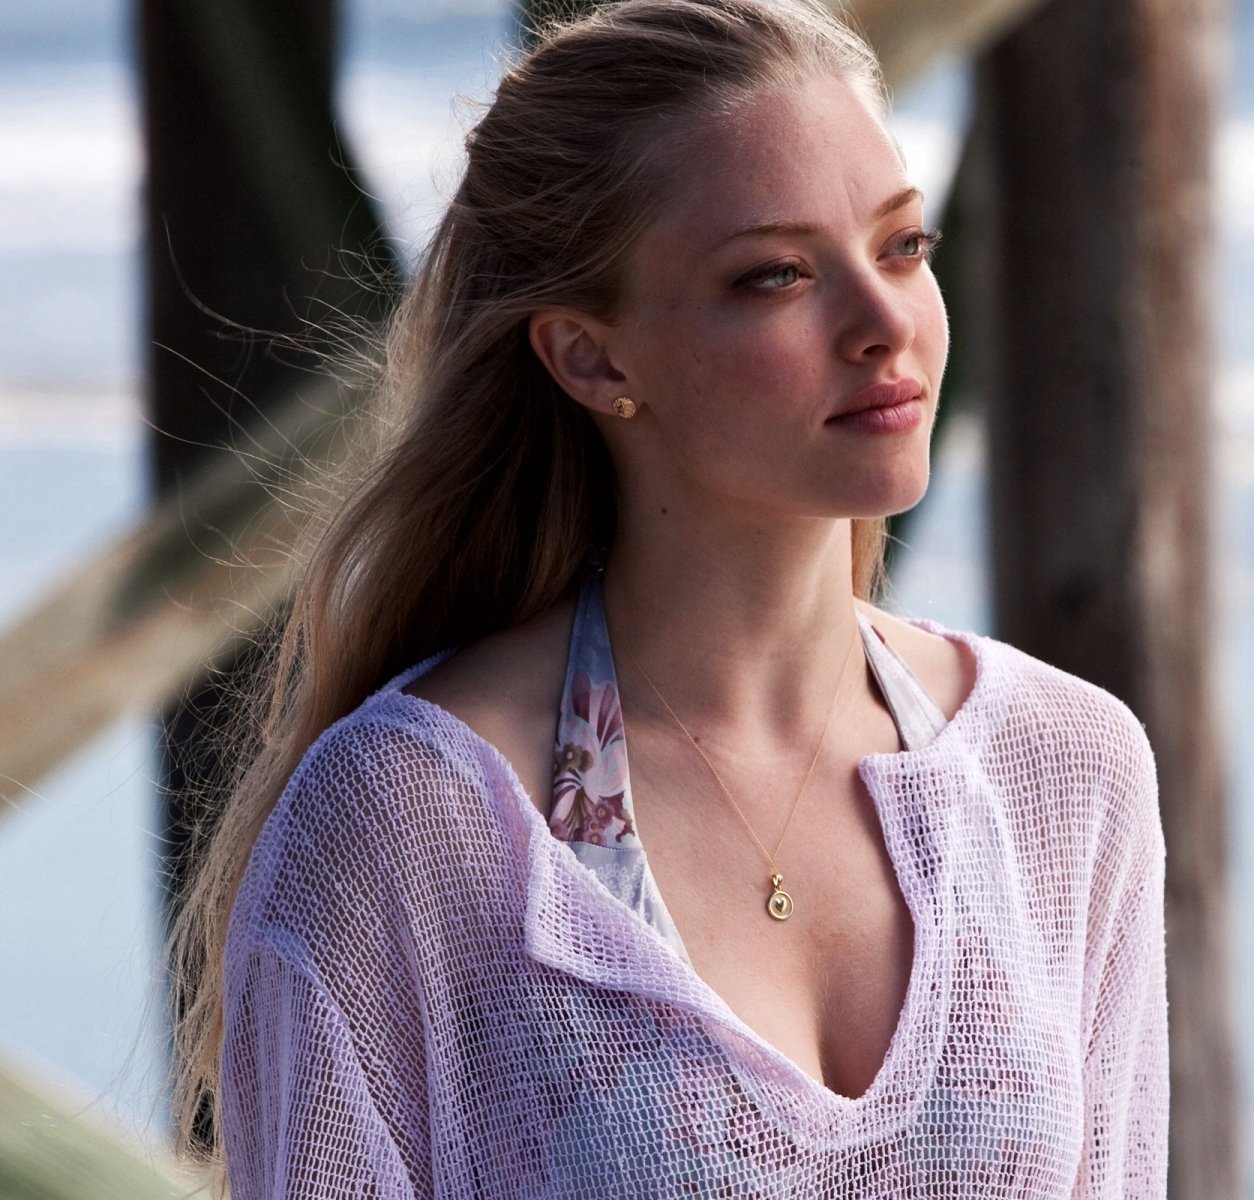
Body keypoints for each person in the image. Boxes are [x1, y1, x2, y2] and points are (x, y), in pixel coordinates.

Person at [165, 1, 1169, 1195]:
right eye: (777, 276)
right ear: (593, 358)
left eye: (904, 247)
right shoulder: (410, 830)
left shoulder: (1063, 770)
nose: (884, 323)